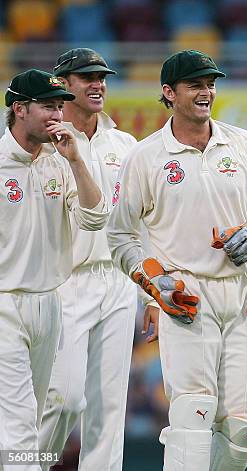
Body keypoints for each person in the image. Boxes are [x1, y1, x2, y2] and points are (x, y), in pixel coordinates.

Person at [106, 49, 247, 471]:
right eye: (195, 85)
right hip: (185, 295)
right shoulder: (146, 157)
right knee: (192, 418)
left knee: (243, 428)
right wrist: (153, 284)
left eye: (210, 84)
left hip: (243, 294)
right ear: (169, 92)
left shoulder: (240, 143)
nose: (206, 92)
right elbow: (120, 234)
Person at [0, 69, 108, 471]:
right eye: (48, 106)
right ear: (19, 108)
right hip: (5, 305)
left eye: (60, 107)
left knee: (59, 406)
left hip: (51, 304)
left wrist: (77, 160)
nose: (58, 115)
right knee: (20, 422)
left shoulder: (60, 160)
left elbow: (96, 218)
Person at [38, 48, 138, 471]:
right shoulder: (44, 147)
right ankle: (24, 464)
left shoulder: (126, 144)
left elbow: (140, 223)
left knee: (110, 407)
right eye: (86, 77)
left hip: (118, 281)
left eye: (101, 77)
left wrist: (150, 297)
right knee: (63, 398)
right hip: (65, 281)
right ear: (62, 85)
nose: (97, 84)